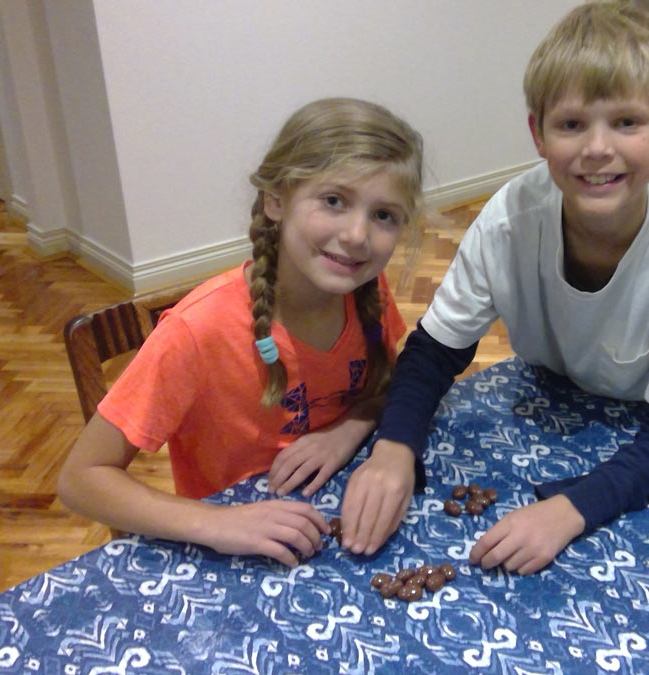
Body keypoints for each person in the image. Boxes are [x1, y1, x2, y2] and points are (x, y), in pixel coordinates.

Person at [339, 2, 649, 574]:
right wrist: (394, 449)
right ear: (537, 132)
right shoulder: (511, 219)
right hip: (546, 401)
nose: (598, 148)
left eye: (627, 122)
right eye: (572, 124)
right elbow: (434, 351)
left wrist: (569, 512)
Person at [57, 98, 423, 568]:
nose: (357, 235)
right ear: (276, 200)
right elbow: (82, 479)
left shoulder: (367, 292)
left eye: (384, 215)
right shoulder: (198, 330)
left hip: (341, 530)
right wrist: (217, 524)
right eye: (334, 201)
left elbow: (387, 389)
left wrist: (347, 429)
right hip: (233, 552)